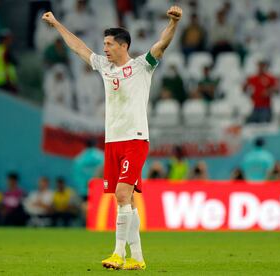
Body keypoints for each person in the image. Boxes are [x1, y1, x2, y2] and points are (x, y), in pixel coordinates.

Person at [42, 5, 183, 270]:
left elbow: (161, 44)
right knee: (126, 200)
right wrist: (57, 24)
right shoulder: (105, 68)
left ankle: (118, 253)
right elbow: (78, 48)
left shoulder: (142, 66)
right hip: (113, 141)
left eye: (108, 44)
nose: (104, 48)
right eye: (104, 44)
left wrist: (174, 23)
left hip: (135, 139)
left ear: (123, 45)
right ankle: (138, 258)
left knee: (121, 194)